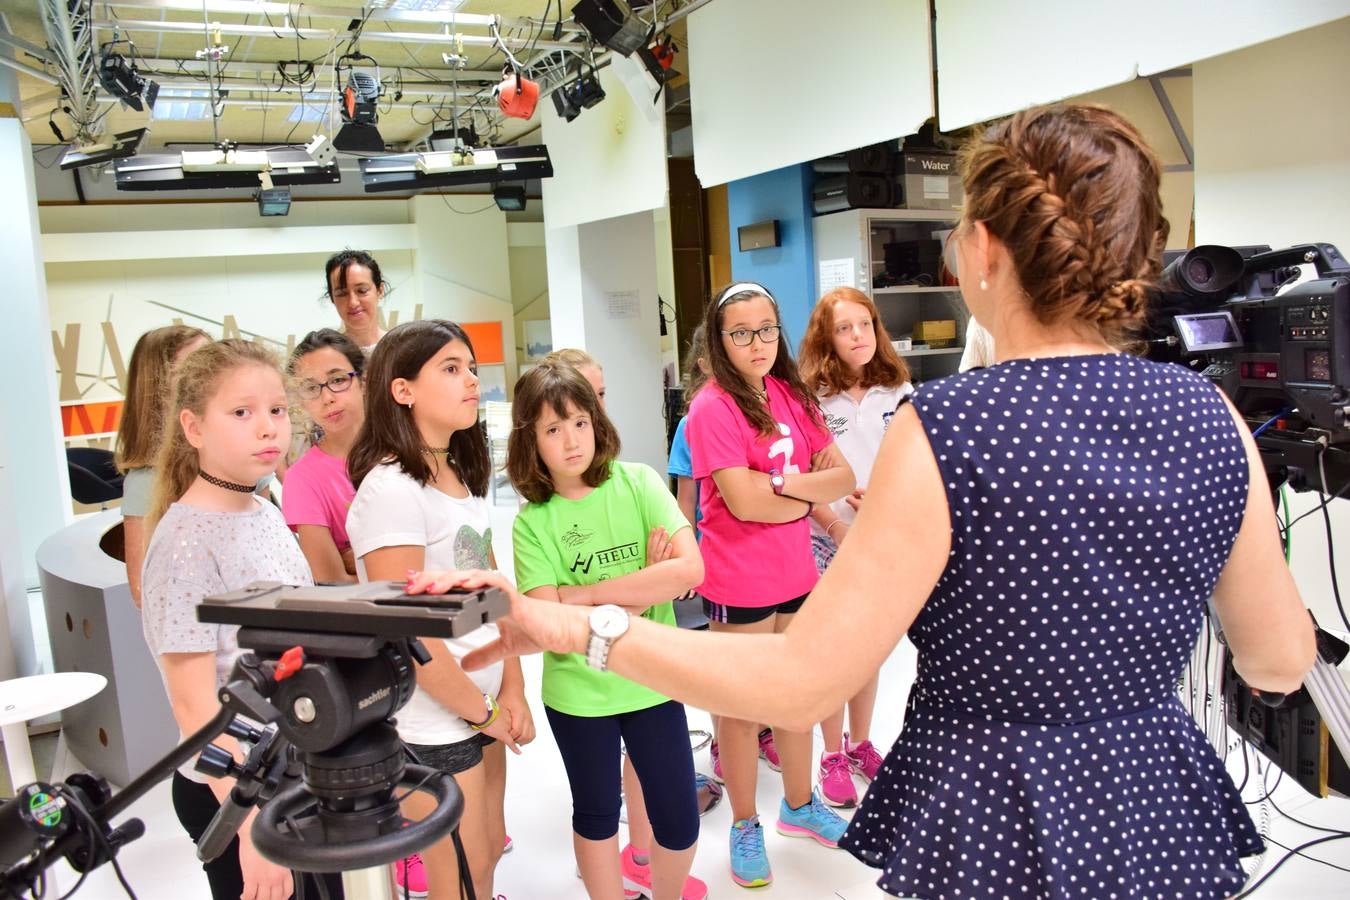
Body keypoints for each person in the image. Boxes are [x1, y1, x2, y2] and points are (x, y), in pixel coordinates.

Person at [442, 103, 1317, 900]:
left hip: (993, 814)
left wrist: (581, 626)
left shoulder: (949, 428)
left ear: (982, 250)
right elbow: (1278, 660)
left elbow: (798, 682)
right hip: (1156, 808)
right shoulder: (1210, 413)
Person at [140, 339, 343, 900]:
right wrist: (252, 825)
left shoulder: (264, 509)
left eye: (277, 410)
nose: (268, 428)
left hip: (294, 768)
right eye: (241, 412)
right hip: (233, 790)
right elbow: (195, 709)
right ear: (193, 427)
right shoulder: (184, 542)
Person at [506, 361, 706, 900]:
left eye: (579, 422)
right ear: (531, 441)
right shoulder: (533, 521)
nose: (571, 441)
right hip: (580, 694)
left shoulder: (638, 482)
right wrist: (643, 587)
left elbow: (690, 572)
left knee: (680, 819)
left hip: (651, 678)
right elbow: (550, 624)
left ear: (596, 421)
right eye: (552, 429)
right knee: (596, 813)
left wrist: (583, 596)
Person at [345, 320, 530, 900]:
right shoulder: (391, 489)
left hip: (483, 699)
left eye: (471, 368)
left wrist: (515, 688)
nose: (471, 381)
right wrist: (482, 712)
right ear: (403, 390)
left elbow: (492, 593)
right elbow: (404, 635)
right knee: (458, 870)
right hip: (435, 716)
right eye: (451, 369)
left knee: (488, 845)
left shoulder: (457, 473)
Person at [683, 281, 856, 888]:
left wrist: (778, 489)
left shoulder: (790, 394)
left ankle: (800, 805)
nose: (756, 343)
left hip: (796, 574)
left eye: (765, 329)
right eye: (741, 332)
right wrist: (795, 489)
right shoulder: (711, 407)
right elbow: (739, 501)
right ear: (719, 338)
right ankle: (743, 823)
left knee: (797, 693)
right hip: (740, 579)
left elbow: (843, 476)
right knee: (741, 707)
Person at [797, 286, 914, 809]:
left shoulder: (899, 388)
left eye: (864, 325)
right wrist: (835, 520)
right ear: (827, 337)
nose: (858, 336)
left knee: (869, 651)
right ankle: (830, 755)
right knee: (830, 654)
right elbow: (798, 478)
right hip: (828, 539)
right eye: (844, 328)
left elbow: (914, 461)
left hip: (883, 538)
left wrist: (891, 499)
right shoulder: (810, 400)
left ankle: (861, 742)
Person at [114, 324, 210, 609]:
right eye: (195, 367)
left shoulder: (238, 455)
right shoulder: (147, 482)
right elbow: (143, 592)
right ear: (159, 386)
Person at [282, 329, 366, 584]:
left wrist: (360, 561)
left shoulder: (405, 451)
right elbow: (332, 580)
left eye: (338, 380)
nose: (327, 397)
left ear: (364, 380)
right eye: (311, 388)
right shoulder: (302, 480)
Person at [325, 249, 389, 352]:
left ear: (380, 290)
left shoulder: (401, 348)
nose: (353, 303)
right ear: (332, 297)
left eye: (362, 291)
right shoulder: (328, 354)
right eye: (342, 294)